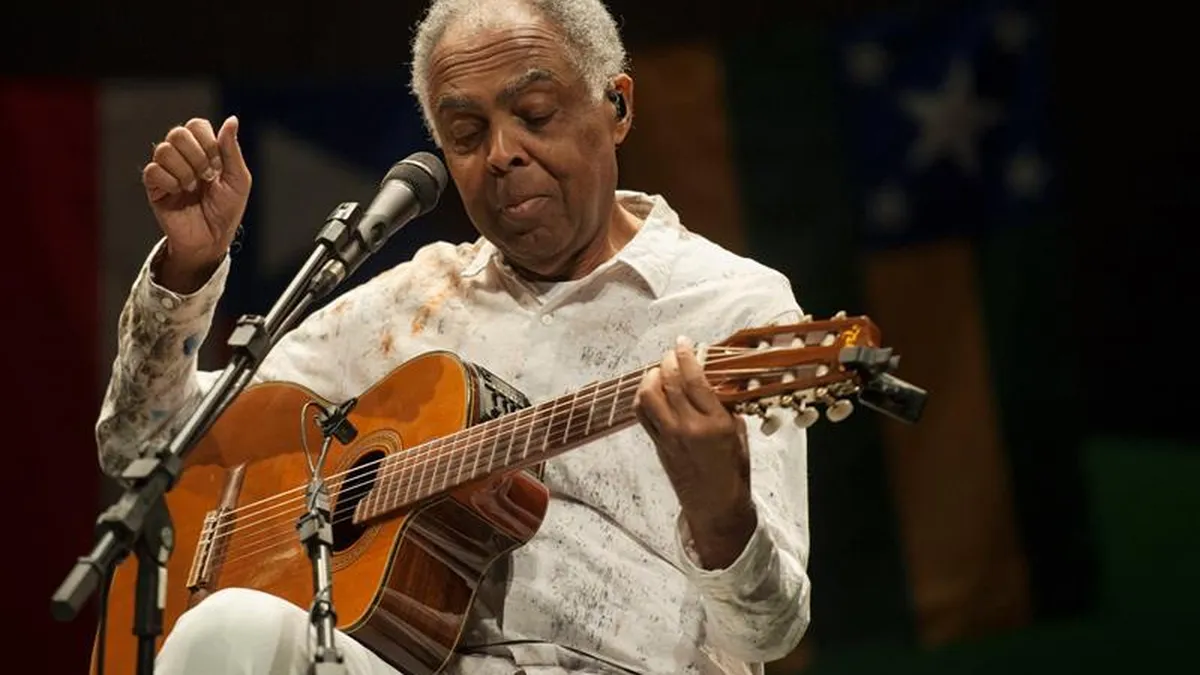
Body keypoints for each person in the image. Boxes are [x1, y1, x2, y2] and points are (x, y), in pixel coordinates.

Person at [95, 0, 811, 672]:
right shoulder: (412, 302)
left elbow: (768, 632)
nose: (501, 153)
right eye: (466, 134)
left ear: (617, 105)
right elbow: (145, 447)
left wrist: (722, 510)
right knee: (231, 627)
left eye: (535, 114)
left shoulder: (733, 307)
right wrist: (189, 269)